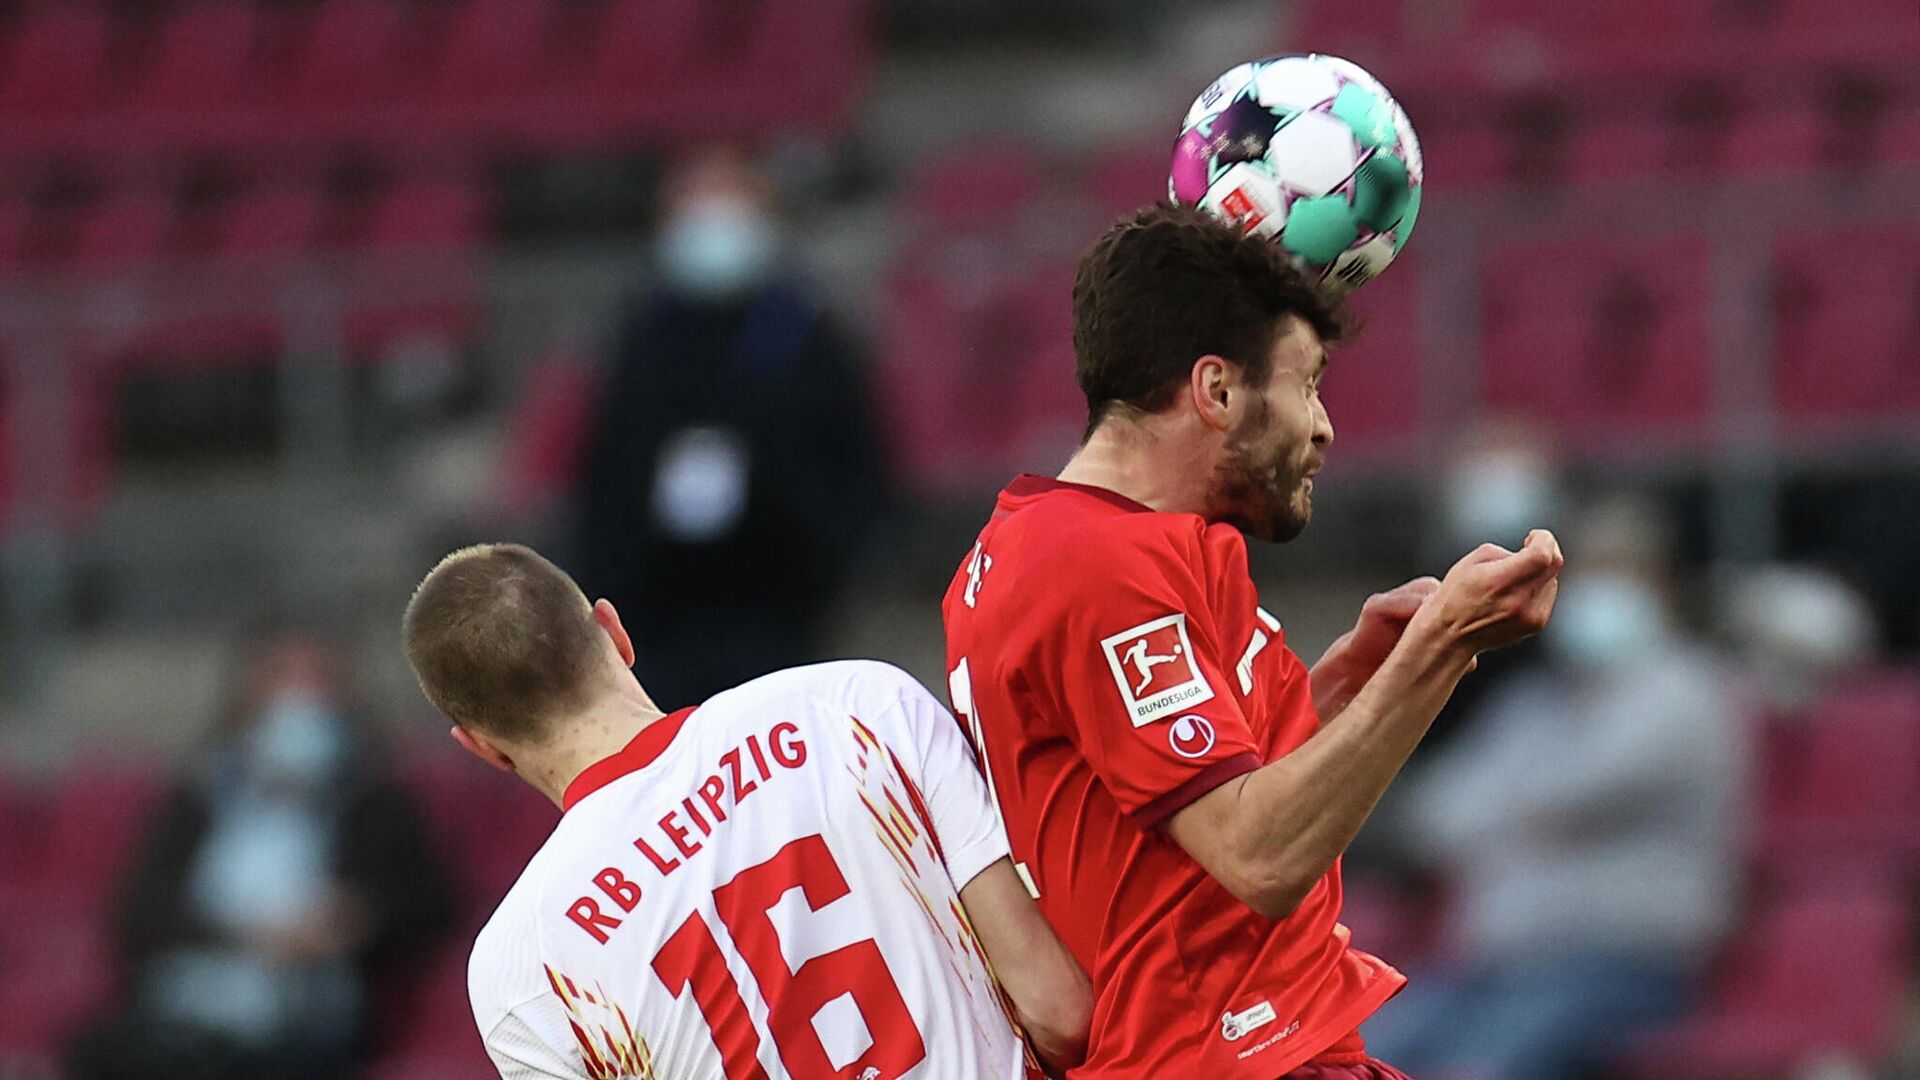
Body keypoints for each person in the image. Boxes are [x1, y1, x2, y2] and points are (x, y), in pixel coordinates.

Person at [941, 203, 1563, 1078]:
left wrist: (1344, 687)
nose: (1323, 426)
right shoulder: (1097, 566)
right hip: (1227, 1054)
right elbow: (1256, 855)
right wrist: (1441, 651)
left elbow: (1155, 810)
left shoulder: (1050, 543)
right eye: (1306, 383)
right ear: (1218, 391)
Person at [402, 543, 1092, 1079]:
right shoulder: (856, 705)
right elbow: (1059, 1010)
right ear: (613, 632)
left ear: (481, 747)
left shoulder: (522, 964)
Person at [1362, 494, 1748, 1080]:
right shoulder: (1534, 703)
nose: (1599, 591)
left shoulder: (1686, 690)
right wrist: (1510, 809)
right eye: (1586, 573)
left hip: (1626, 963)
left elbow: (1588, 786)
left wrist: (1503, 808)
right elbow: (1433, 812)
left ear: (1661, 586)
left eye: (1619, 571)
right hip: (1493, 967)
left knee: (1481, 1068)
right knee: (1363, 1053)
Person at [573, 147, 891, 708]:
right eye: (695, 205)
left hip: (783, 624)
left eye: (729, 203)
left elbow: (860, 474)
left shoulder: (809, 339)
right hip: (659, 631)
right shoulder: (639, 341)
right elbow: (601, 480)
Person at [69, 626, 454, 1080]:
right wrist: (241, 931)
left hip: (302, 1025)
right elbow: (139, 910)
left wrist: (356, 919)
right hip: (184, 1012)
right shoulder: (200, 794)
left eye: (318, 682)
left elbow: (430, 905)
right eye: (283, 679)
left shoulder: (377, 803)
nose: (300, 700)